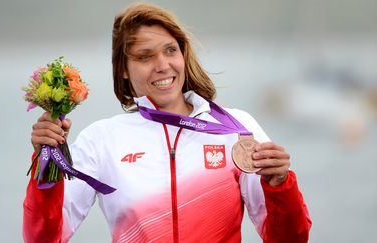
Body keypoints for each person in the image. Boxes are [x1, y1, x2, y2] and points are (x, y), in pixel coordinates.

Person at [23, 2, 312, 242]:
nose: (162, 65)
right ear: (123, 69)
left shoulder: (235, 128)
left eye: (170, 50)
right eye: (145, 56)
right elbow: (45, 238)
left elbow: (289, 239)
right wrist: (46, 160)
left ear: (183, 54)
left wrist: (280, 185)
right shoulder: (102, 140)